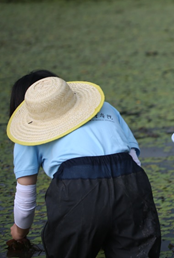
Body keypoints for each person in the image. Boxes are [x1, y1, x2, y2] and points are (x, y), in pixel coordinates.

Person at [7, 70, 161, 258]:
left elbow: (26, 194)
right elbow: (134, 160)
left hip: (78, 189)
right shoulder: (105, 108)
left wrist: (19, 231)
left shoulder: (28, 133)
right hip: (131, 180)